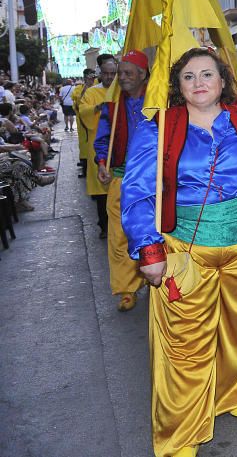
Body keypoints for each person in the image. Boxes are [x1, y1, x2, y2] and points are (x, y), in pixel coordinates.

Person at [121, 47, 237, 457]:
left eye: (207, 74)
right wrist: (149, 250)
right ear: (178, 86)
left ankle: (233, 392)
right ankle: (182, 432)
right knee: (186, 345)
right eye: (189, 76)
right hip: (185, 251)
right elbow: (135, 192)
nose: (199, 82)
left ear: (223, 81)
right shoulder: (159, 128)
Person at [93, 51, 148, 312]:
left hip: (154, 179)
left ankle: (161, 278)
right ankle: (127, 288)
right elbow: (103, 139)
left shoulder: (159, 102)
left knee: (159, 231)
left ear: (142, 75)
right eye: (119, 73)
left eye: (128, 73)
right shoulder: (112, 106)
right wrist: (102, 162)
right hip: (121, 177)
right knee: (118, 236)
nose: (122, 78)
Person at [80, 56, 117, 238]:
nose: (109, 77)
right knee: (102, 191)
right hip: (99, 145)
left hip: (118, 146)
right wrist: (97, 108)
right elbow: (83, 111)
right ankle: (104, 225)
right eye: (106, 73)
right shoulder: (92, 93)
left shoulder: (121, 90)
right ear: (100, 74)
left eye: (113, 73)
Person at [73, 69, 96, 177]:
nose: (91, 78)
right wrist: (87, 86)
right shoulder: (79, 88)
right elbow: (78, 103)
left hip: (96, 120)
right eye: (88, 76)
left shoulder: (99, 85)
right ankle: (85, 168)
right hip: (82, 121)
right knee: (84, 144)